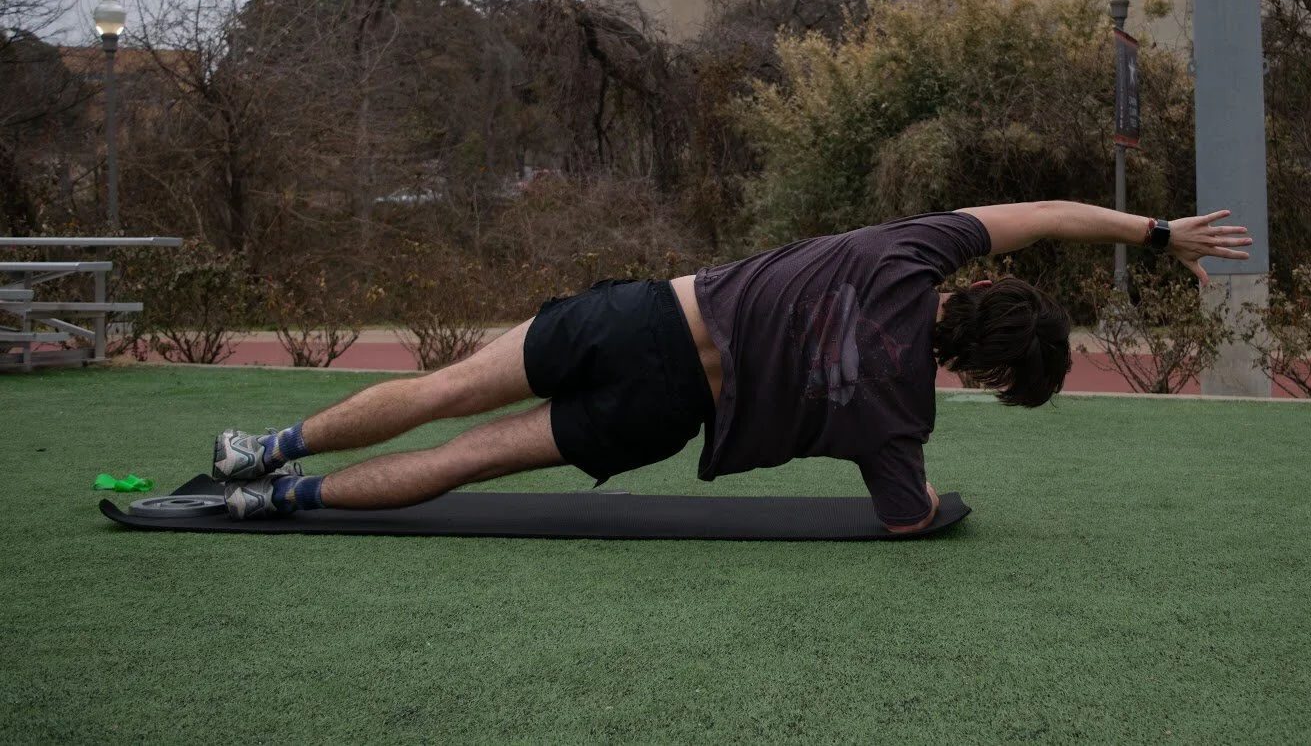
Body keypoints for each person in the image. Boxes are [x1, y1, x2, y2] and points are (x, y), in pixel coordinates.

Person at [214, 201, 1253, 532]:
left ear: (980, 287)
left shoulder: (919, 246)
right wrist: (939, 506)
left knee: (439, 392)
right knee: (467, 459)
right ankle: (284, 500)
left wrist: (1159, 231)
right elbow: (904, 515)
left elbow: (1045, 214)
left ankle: (262, 449)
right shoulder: (901, 416)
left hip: (637, 316)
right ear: (979, 372)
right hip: (664, 405)